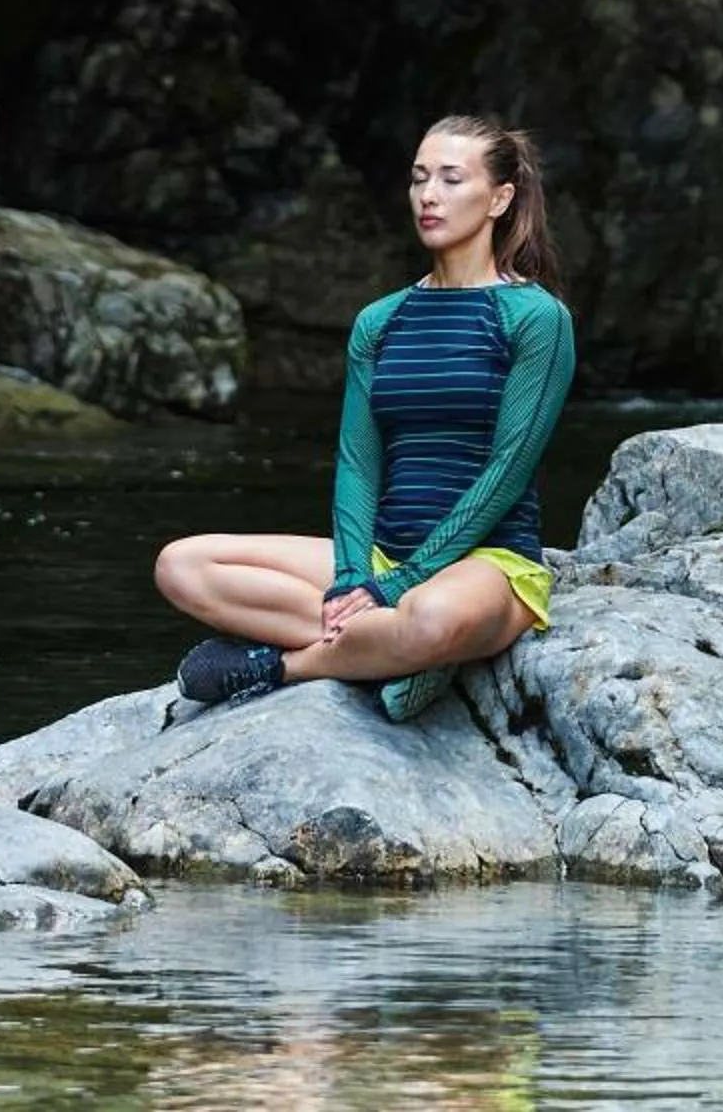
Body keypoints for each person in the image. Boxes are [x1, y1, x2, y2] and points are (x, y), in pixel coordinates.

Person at [152, 116, 577, 723]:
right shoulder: (380, 321)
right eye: (419, 179)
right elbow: (358, 462)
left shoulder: (537, 318)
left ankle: (281, 665)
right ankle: (398, 653)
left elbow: (507, 472)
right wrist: (355, 575)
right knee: (182, 566)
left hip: (489, 564)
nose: (429, 196)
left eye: (451, 180)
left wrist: (398, 585)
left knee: (431, 616)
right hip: (381, 554)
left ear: (499, 199)